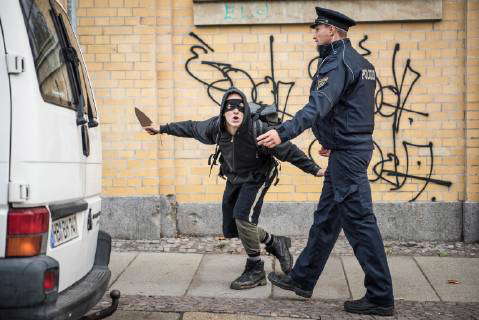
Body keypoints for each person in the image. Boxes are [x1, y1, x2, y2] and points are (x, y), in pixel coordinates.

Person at [257, 7, 395, 317]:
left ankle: (380, 295)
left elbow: (317, 106)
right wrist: (334, 141)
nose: (314, 33)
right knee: (326, 220)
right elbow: (353, 110)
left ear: (331, 31)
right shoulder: (360, 62)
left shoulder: (337, 63)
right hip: (346, 150)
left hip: (348, 155)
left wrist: (282, 133)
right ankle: (303, 279)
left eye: (317, 28)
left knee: (360, 223)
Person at [145, 87, 323, 290]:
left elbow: (288, 151)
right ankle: (275, 242)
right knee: (231, 227)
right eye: (230, 107)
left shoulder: (258, 130)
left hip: (257, 176)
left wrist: (315, 170)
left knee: (242, 217)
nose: (235, 111)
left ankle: (255, 269)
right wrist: (162, 128)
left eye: (240, 107)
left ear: (245, 110)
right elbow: (191, 127)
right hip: (234, 177)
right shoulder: (215, 128)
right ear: (223, 111)